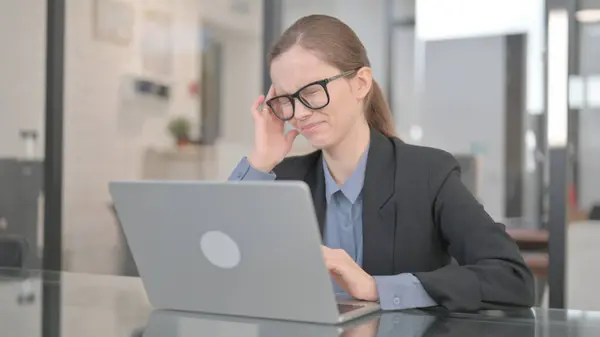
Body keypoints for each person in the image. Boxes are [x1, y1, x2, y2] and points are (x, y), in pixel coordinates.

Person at [228, 14, 535, 312]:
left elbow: (511, 278)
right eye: (286, 99)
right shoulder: (282, 180)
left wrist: (377, 288)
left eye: (310, 91)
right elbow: (221, 262)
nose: (299, 112)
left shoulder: (428, 174)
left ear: (361, 83)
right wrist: (261, 159)